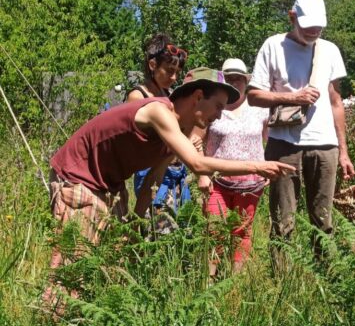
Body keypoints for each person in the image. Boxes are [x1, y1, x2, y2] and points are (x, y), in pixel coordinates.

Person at [47, 67, 294, 263]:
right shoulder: (159, 112)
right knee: (74, 265)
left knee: (109, 261)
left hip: (110, 187)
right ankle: (52, 322)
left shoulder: (176, 134)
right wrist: (256, 166)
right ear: (198, 96)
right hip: (77, 178)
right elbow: (197, 164)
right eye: (218, 106)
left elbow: (152, 182)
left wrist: (135, 225)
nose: (219, 115)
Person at [247, 0, 355, 245]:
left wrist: (344, 151)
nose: (314, 31)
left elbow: (336, 102)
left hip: (324, 144)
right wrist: (293, 98)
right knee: (282, 220)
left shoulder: (330, 50)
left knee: (324, 219)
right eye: (308, 26)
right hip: (284, 144)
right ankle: (283, 279)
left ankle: (324, 275)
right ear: (292, 17)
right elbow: (253, 96)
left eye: (318, 26)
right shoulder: (273, 46)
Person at [198, 58, 271, 275]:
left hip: (250, 183)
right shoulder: (213, 106)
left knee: (242, 232)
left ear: (246, 81)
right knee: (215, 230)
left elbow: (269, 140)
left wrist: (266, 165)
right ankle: (209, 281)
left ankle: (235, 281)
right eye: (229, 78)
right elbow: (197, 140)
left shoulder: (259, 109)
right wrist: (202, 174)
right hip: (217, 181)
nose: (234, 82)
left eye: (238, 78)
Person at [126, 33, 192, 216]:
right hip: (151, 173)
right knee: (156, 229)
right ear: (152, 65)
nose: (173, 77)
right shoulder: (138, 96)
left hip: (176, 172)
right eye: (169, 71)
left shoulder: (170, 95)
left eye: (177, 72)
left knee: (177, 232)